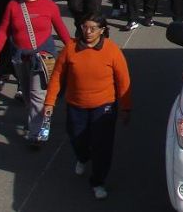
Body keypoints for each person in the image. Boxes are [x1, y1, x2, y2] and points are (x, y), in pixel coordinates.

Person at [43, 13, 131, 200]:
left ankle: (98, 181)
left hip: (104, 107)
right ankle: (83, 157)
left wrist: (125, 107)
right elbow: (57, 76)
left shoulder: (112, 50)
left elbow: (123, 80)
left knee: (102, 146)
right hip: (76, 105)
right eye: (85, 27)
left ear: (102, 30)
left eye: (93, 28)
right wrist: (50, 101)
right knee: (76, 137)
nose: (88, 32)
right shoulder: (70, 48)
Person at [0, 0, 71, 145]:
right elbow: (3, 31)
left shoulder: (49, 6)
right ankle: (36, 120)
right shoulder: (13, 6)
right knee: (26, 93)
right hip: (20, 57)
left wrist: (72, 50)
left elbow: (61, 30)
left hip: (42, 58)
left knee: (37, 94)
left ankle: (35, 133)